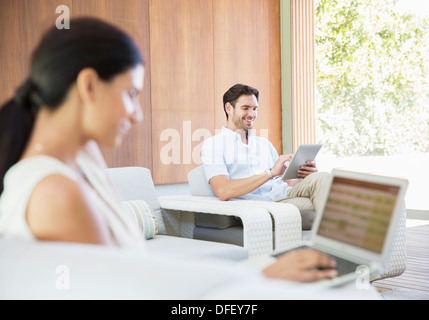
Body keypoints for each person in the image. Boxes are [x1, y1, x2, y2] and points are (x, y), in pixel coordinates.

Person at [0, 17, 338, 289]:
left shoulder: (80, 158)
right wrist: (257, 278)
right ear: (89, 86)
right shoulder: (56, 195)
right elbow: (137, 290)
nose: (137, 113)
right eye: (131, 93)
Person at [201, 84, 331, 228]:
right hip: (259, 207)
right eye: (245, 108)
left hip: (284, 194)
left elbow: (282, 181)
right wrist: (269, 173)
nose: (252, 114)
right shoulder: (213, 145)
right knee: (323, 206)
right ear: (228, 108)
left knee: (323, 178)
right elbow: (223, 191)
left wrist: (304, 175)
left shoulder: (263, 143)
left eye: (254, 109)